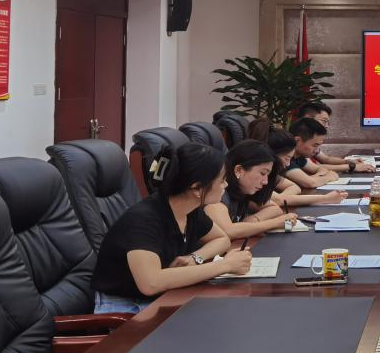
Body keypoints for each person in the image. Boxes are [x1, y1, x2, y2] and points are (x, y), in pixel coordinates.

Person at [91, 143, 252, 313]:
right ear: (197, 188)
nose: (225, 185)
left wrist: (194, 258)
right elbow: (150, 283)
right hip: (127, 306)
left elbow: (222, 239)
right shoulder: (144, 219)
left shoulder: (190, 209)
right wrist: (225, 266)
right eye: (222, 180)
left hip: (164, 295)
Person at [205, 140, 299, 241]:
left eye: (268, 175)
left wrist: (253, 220)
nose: (265, 182)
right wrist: (275, 223)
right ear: (239, 170)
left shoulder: (244, 191)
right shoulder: (218, 193)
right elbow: (228, 231)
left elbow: (274, 208)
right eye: (262, 173)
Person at [266, 129, 348, 206]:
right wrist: (326, 198)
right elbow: (310, 183)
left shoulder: (273, 173)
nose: (288, 164)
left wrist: (281, 199)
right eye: (286, 159)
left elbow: (295, 187)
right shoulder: (263, 173)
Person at [296, 101, 376, 173]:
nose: (326, 126)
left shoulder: (312, 138)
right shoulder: (299, 139)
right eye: (324, 121)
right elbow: (314, 167)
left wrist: (348, 162)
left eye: (328, 122)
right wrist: (352, 167)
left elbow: (326, 159)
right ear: (308, 118)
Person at [283, 117, 343, 190]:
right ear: (297, 140)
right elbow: (310, 183)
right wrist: (329, 177)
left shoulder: (299, 156)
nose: (317, 150)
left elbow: (320, 169)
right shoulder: (285, 157)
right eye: (314, 145)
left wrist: (316, 177)